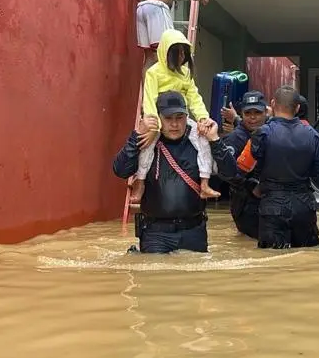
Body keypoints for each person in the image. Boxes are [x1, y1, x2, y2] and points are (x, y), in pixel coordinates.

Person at [112, 92, 237, 254]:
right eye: (168, 118)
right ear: (158, 118)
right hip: (155, 234)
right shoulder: (147, 144)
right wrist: (136, 135)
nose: (175, 124)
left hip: (193, 232)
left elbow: (231, 173)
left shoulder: (200, 142)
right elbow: (120, 170)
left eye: (179, 117)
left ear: (187, 117)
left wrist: (215, 140)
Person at [130, 29, 220, 203]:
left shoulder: (185, 73)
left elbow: (194, 97)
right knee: (146, 144)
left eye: (183, 53)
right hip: (159, 117)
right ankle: (140, 181)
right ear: (165, 52)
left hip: (181, 117)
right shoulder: (153, 73)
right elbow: (149, 100)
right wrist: (153, 126)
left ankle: (205, 182)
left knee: (203, 139)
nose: (180, 57)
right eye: (176, 53)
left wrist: (202, 118)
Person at [237, 86, 319, 249]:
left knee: (273, 264)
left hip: (272, 207)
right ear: (297, 108)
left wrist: (253, 186)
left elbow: (241, 169)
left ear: (273, 104)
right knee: (306, 260)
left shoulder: (261, 134)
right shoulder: (313, 136)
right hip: (304, 206)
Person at [222, 91, 269, 239]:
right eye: (248, 113)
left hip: (272, 203)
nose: (253, 117)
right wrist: (251, 185)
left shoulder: (273, 133)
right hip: (245, 205)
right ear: (242, 113)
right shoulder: (233, 139)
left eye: (257, 112)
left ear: (265, 113)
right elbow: (226, 173)